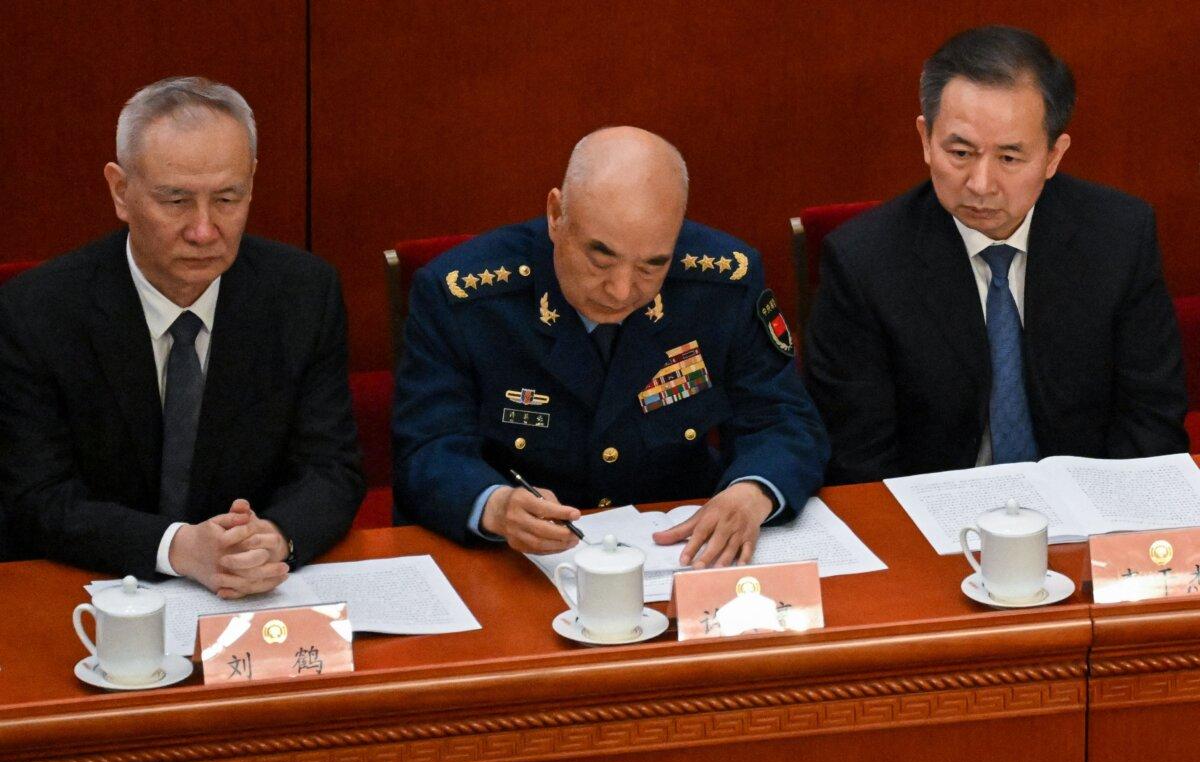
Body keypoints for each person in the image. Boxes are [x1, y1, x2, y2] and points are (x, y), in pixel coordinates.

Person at [392, 127, 828, 568]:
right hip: (517, 563)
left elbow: (782, 418)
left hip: (676, 554)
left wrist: (751, 494)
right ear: (556, 214)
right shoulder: (466, 298)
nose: (621, 291)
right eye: (601, 258)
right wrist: (494, 506)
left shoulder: (722, 282)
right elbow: (428, 448)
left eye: (651, 266)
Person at [0, 77, 364, 597]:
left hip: (254, 596)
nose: (203, 229)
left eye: (227, 198)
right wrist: (177, 547)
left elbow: (331, 468)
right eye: (175, 201)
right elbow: (36, 497)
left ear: (252, 184)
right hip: (89, 589)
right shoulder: (38, 311)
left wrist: (275, 537)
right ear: (120, 191)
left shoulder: (303, 294)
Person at [803, 26, 1188, 485]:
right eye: (960, 152)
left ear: (1053, 155)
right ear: (926, 139)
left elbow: (1151, 421)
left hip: (1085, 515)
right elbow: (858, 459)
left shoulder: (1119, 237)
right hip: (936, 524)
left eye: (1009, 158)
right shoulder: (864, 263)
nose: (981, 184)